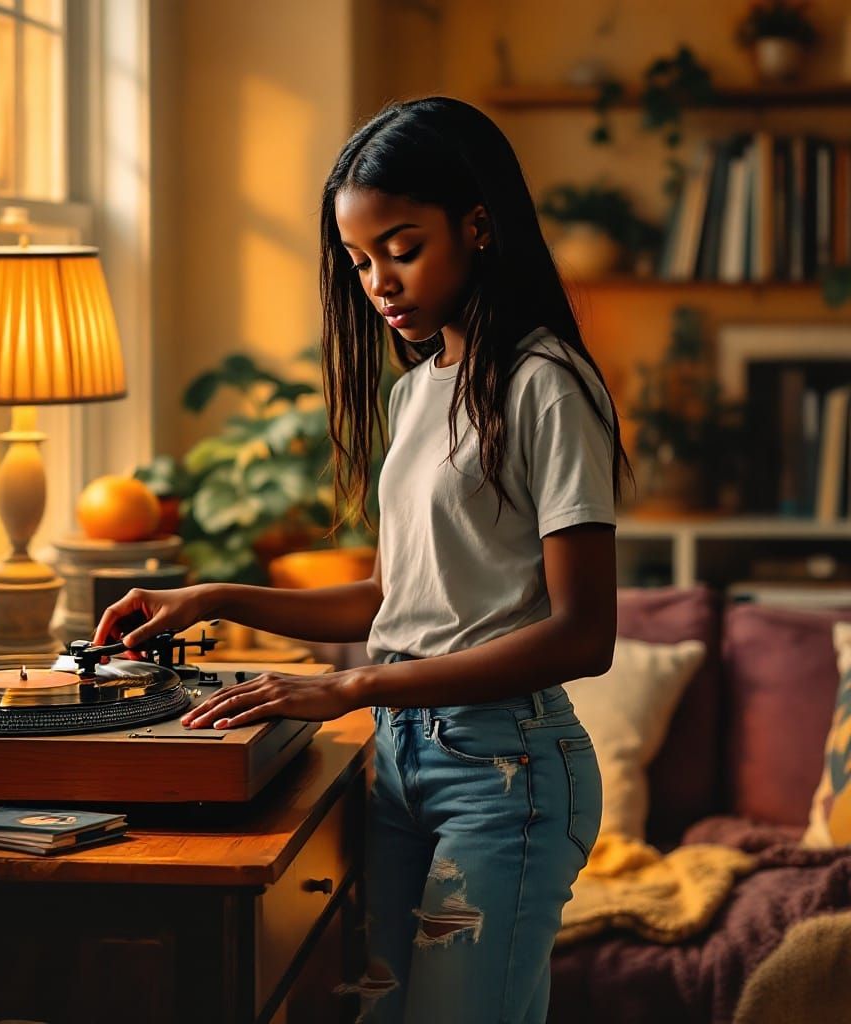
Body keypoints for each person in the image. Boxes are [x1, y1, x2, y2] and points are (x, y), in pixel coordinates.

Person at [93, 96, 631, 1023]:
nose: (379, 280)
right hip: (398, 763)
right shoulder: (418, 391)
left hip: (506, 772)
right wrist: (212, 597)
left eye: (403, 246)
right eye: (359, 259)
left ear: (478, 225)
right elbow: (391, 602)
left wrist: (352, 690)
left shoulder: (549, 384)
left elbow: (585, 635)